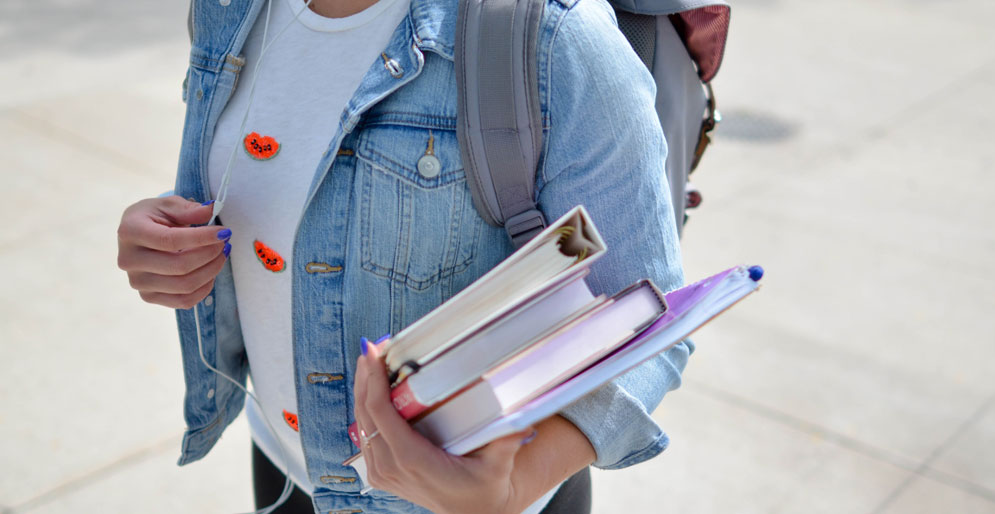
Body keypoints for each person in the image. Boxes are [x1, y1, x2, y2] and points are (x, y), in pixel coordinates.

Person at [116, 0, 692, 511]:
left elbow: (647, 319)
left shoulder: (553, 35)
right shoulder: (229, 10)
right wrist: (166, 243)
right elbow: (250, 192)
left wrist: (510, 489)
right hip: (283, 467)